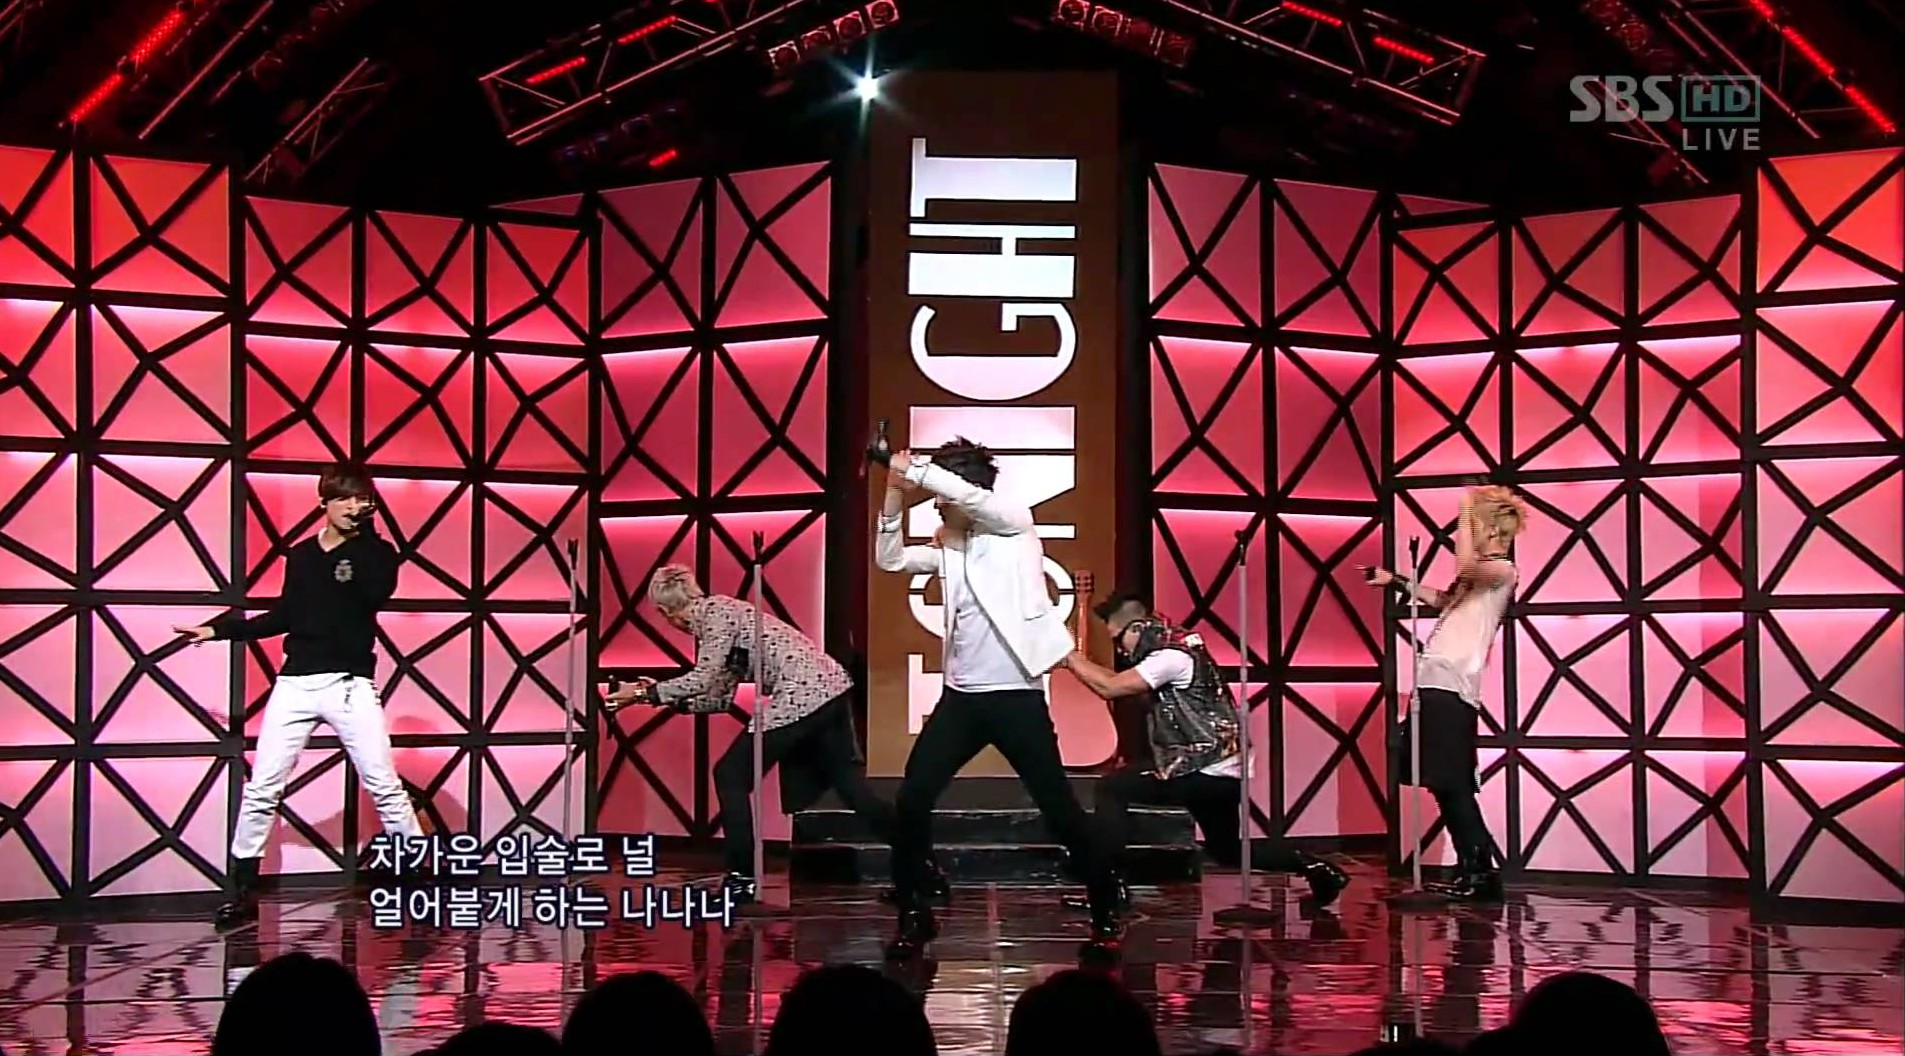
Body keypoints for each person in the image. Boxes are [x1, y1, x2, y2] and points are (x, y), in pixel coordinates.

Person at [871, 437, 1122, 956]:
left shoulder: (1013, 523)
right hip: (961, 699)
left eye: (941, 495)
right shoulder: (952, 546)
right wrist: (893, 489)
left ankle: (1105, 905)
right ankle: (914, 912)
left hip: (1015, 698)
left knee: (1058, 809)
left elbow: (970, 498)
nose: (936, 505)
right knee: (913, 797)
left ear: (962, 489)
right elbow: (890, 560)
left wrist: (912, 467)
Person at [175, 463, 421, 930]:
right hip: (295, 684)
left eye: (362, 499)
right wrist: (219, 630)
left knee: (383, 783)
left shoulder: (377, 552)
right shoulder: (303, 554)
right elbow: (284, 614)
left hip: (349, 683)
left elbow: (376, 594)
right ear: (325, 502)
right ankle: (242, 891)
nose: (354, 507)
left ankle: (415, 883)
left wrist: (359, 550)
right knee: (262, 788)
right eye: (344, 498)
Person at [608, 566, 936, 905]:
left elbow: (702, 678)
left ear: (666, 612)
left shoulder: (715, 614)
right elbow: (718, 698)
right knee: (852, 791)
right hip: (830, 693)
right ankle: (922, 868)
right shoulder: (724, 618)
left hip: (802, 694)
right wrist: (659, 698)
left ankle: (741, 879)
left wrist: (644, 693)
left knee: (730, 775)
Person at [1057, 602, 1350, 912]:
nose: (1120, 648)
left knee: (1113, 788)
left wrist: (1069, 656)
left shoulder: (1170, 657)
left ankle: (1107, 890)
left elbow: (1110, 687)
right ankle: (1319, 870)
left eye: (1119, 639)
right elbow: (1117, 682)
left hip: (1201, 766)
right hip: (1221, 768)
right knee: (1227, 851)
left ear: (1138, 627)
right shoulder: (1178, 647)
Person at [1360, 483, 1525, 901]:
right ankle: (1472, 868)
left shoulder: (1501, 572)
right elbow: (1443, 599)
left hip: (1453, 687)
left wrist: (1466, 515)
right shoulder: (1477, 578)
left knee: (1453, 783)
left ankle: (1480, 871)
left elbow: (1467, 567)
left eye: (1476, 527)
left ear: (1493, 531)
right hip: (1435, 684)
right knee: (1441, 782)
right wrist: (1396, 581)